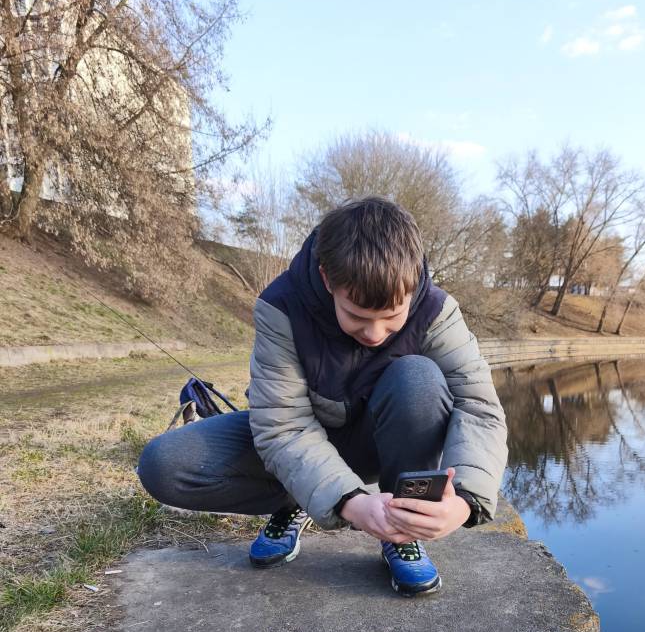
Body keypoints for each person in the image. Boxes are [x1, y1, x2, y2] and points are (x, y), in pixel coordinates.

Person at [138, 196, 507, 596]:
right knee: (163, 465)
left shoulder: (436, 310)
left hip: (376, 443)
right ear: (328, 279)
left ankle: (402, 525)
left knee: (419, 378)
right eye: (357, 316)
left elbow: (479, 407)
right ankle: (300, 499)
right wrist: (350, 503)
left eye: (391, 317)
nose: (375, 333)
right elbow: (283, 426)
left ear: (415, 281)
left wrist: (464, 502)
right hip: (303, 435)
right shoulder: (281, 307)